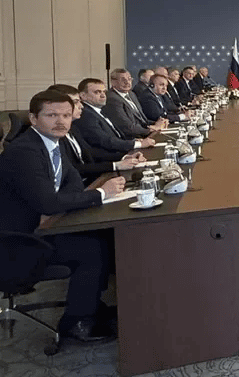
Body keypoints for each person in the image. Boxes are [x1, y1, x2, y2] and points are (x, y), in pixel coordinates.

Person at [0, 90, 125, 343]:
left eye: (66, 115)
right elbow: (47, 202)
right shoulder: (25, 151)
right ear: (33, 119)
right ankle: (77, 323)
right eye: (52, 115)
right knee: (91, 249)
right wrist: (102, 193)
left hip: (43, 225)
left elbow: (73, 182)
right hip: (17, 242)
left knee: (102, 237)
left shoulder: (52, 143)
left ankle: (92, 305)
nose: (61, 121)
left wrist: (60, 202)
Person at [47, 84, 144, 185]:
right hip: (81, 186)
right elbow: (74, 168)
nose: (81, 106)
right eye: (75, 102)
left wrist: (124, 157)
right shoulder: (54, 136)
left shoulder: (73, 128)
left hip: (92, 179)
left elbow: (91, 153)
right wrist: (115, 165)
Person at [74, 78, 155, 155]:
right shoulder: (86, 115)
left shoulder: (99, 110)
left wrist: (132, 141)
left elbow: (115, 135)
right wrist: (138, 144)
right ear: (83, 96)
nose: (103, 95)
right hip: (111, 157)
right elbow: (105, 141)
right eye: (97, 92)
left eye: (104, 92)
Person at [103, 68, 166, 139]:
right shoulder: (112, 99)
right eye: (123, 80)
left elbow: (142, 120)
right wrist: (151, 129)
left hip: (143, 134)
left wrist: (158, 122)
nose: (127, 82)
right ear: (113, 82)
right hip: (133, 139)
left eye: (129, 79)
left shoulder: (131, 94)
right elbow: (127, 127)